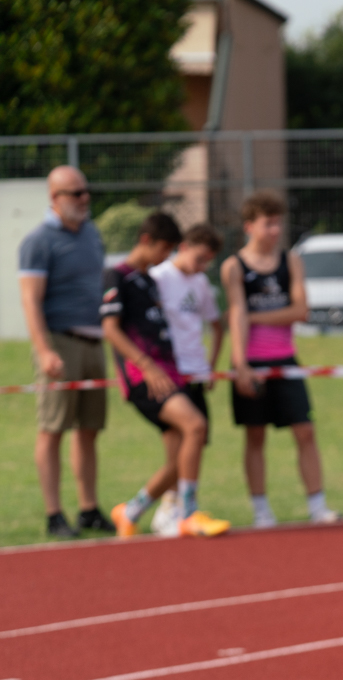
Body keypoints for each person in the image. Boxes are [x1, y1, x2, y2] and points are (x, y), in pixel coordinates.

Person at [101, 213, 230, 538]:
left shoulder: (150, 281)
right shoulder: (116, 276)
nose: (166, 257)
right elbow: (111, 330)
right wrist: (145, 366)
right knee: (196, 426)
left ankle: (130, 511)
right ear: (147, 240)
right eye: (164, 249)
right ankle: (188, 513)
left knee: (181, 458)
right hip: (146, 376)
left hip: (173, 374)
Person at [221, 191, 339, 527]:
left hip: (285, 359)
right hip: (252, 361)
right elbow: (236, 314)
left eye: (278, 224)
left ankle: (317, 506)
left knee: (305, 430)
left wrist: (256, 317)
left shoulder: (291, 262)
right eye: (268, 224)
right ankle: (261, 510)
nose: (275, 231)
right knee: (255, 435)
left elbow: (300, 310)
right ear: (249, 226)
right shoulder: (234, 267)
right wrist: (241, 365)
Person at [17, 166, 116, 538]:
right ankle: (54, 514)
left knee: (89, 429)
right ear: (55, 198)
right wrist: (44, 350)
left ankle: (88, 508)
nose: (84, 198)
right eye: (75, 193)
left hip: (94, 342)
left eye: (85, 191)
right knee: (53, 428)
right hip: (60, 341)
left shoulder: (91, 234)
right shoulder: (38, 241)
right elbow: (30, 300)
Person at [148, 224, 226, 535]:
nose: (202, 266)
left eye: (208, 261)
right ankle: (168, 509)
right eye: (199, 258)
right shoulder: (159, 277)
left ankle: (180, 504)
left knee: (196, 440)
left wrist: (211, 366)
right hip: (170, 370)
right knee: (177, 440)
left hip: (195, 370)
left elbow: (216, 324)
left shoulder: (201, 282)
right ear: (183, 247)